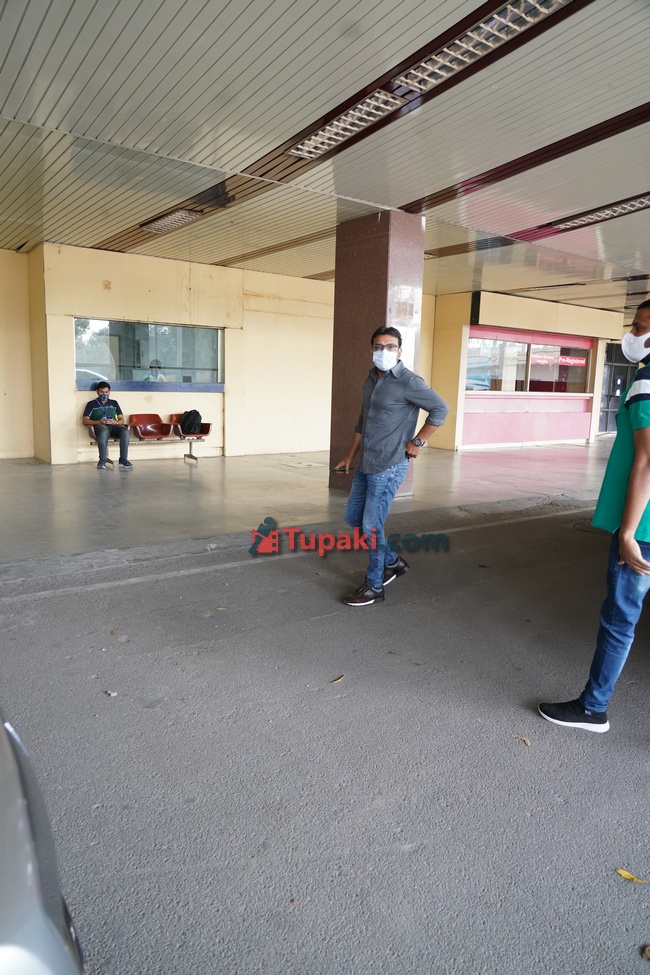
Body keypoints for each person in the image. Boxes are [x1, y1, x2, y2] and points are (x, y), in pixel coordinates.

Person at [539, 299, 650, 732]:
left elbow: (646, 462)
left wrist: (627, 531)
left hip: (642, 527)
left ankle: (592, 708)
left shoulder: (646, 379)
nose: (634, 335)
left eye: (641, 327)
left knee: (620, 619)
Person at [334, 325, 449, 606]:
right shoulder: (371, 378)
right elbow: (363, 419)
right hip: (367, 462)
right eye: (377, 346)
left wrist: (418, 442)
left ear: (399, 350)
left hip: (390, 464)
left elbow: (440, 409)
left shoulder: (410, 382)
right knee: (354, 520)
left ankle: (374, 585)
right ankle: (394, 562)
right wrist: (350, 455)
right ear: (371, 349)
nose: (383, 351)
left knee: (371, 527)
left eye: (389, 346)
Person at [82, 382, 133, 470]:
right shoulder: (91, 404)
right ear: (97, 392)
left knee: (125, 431)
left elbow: (121, 419)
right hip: (100, 425)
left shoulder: (114, 403)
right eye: (102, 392)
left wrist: (115, 422)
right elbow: (85, 420)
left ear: (109, 392)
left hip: (114, 426)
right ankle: (102, 460)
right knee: (103, 431)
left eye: (106, 392)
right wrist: (99, 421)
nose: (104, 394)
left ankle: (123, 459)